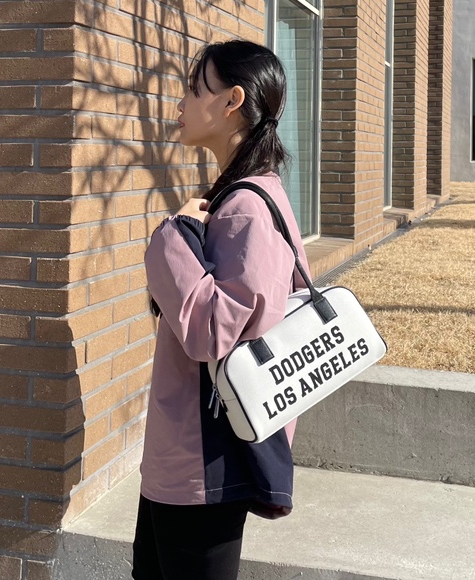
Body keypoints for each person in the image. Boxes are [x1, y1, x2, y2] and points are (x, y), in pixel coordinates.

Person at [132, 39, 310, 580]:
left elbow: (214, 331)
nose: (181, 104)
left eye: (194, 89)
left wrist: (172, 236)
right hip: (190, 455)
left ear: (233, 101)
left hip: (204, 459)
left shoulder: (245, 209)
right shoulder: (249, 195)